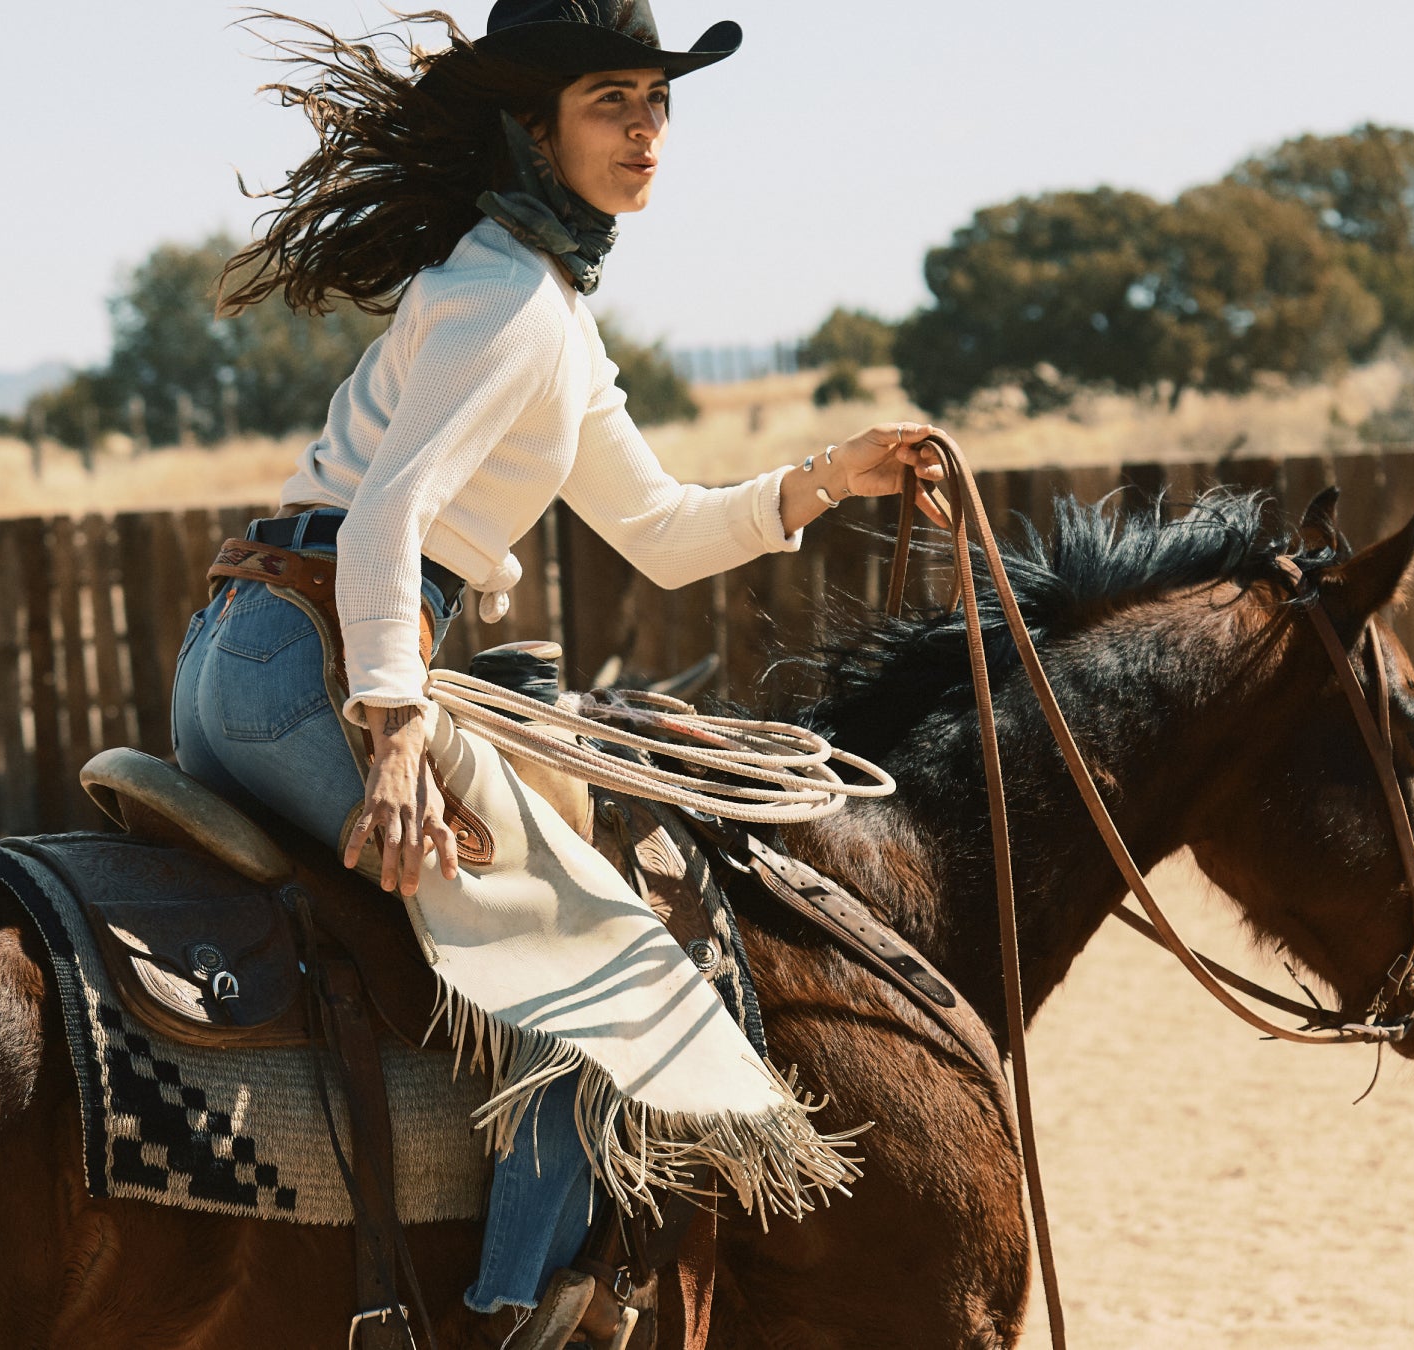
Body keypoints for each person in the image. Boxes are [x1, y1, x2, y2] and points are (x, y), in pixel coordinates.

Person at [172, 2, 948, 1339]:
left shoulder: (536, 302)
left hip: (254, 652)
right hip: (318, 663)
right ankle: (509, 1311)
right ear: (536, 126)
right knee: (609, 984)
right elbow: (387, 522)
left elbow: (658, 529)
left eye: (658, 101)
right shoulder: (514, 304)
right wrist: (399, 732)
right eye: (612, 101)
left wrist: (837, 473)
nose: (647, 128)